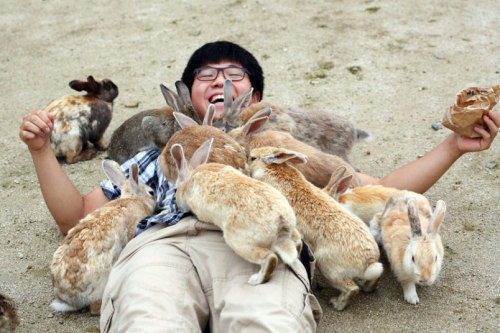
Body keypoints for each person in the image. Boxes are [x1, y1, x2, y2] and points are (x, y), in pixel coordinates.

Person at [19, 41, 499, 332]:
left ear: (258, 99)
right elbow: (77, 218)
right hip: (161, 245)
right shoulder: (163, 156)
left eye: (235, 75)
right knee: (148, 318)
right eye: (207, 76)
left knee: (269, 324)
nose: (222, 82)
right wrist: (42, 150)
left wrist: (452, 147)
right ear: (184, 98)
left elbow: (381, 189)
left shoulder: (278, 153)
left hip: (266, 249)